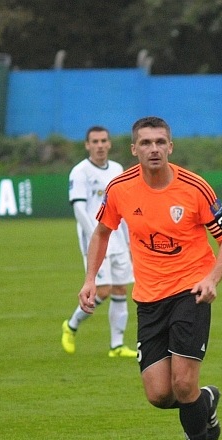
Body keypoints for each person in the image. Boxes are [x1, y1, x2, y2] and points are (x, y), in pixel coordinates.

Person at [79, 116, 222, 440]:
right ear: (134, 149)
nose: (153, 149)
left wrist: (211, 279)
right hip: (148, 299)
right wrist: (90, 279)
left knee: (183, 386)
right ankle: (207, 401)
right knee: (159, 395)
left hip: (190, 292)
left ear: (171, 147)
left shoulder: (194, 187)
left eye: (160, 142)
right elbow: (102, 233)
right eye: (146, 143)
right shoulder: (120, 189)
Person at [61, 126, 137, 358]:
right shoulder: (80, 172)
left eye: (104, 140)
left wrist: (128, 240)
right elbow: (79, 209)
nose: (100, 145)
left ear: (110, 144)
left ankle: (116, 346)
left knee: (121, 288)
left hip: (118, 238)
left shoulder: (116, 169)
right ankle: (71, 325)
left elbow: (122, 207)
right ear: (87, 145)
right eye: (95, 141)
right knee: (102, 291)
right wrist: (97, 235)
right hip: (96, 238)